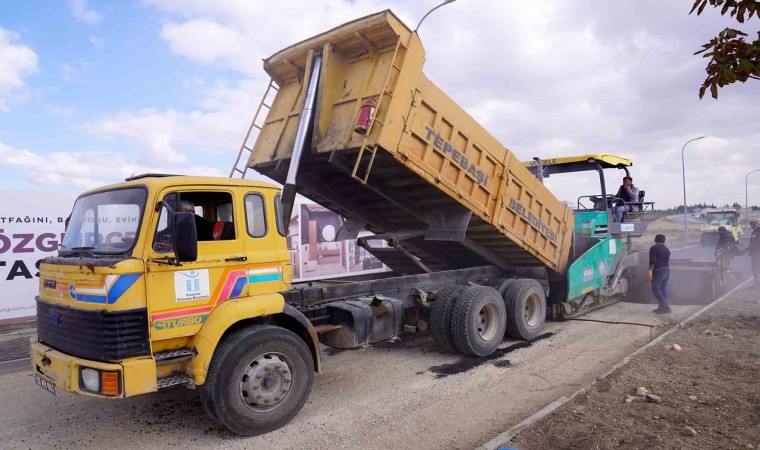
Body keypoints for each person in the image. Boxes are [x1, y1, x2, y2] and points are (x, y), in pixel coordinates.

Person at [648, 234, 671, 314]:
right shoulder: (667, 250)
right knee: (663, 289)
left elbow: (652, 261)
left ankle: (665, 306)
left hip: (659, 271)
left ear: (655, 240)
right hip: (667, 271)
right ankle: (661, 308)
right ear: (664, 241)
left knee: (656, 289)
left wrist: (650, 272)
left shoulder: (654, 248)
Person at [743, 219, 760, 286]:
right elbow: (753, 243)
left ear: (758, 224)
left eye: (754, 224)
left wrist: (749, 248)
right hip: (755, 252)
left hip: (757, 252)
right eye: (751, 225)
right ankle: (756, 282)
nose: (752, 226)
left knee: (755, 267)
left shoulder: (758, 231)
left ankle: (756, 283)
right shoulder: (755, 231)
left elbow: (756, 243)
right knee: (755, 267)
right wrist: (747, 249)